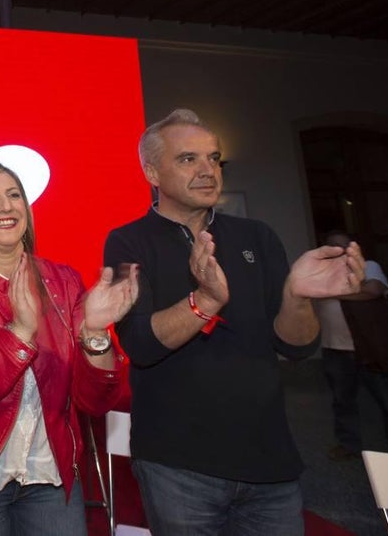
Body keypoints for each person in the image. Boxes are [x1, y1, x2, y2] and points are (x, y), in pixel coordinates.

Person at [104, 108, 366, 536]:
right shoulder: (128, 241)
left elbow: (296, 346)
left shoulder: (257, 237)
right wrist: (204, 301)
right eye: (188, 159)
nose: (208, 170)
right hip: (177, 466)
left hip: (270, 462)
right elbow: (141, 347)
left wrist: (297, 298)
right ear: (152, 172)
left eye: (213, 158)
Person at [0, 161, 134, 536]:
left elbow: (95, 402)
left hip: (48, 476)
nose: (6, 206)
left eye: (14, 195)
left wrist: (96, 334)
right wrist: (18, 335)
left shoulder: (62, 281)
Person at [314, 229, 388, 458]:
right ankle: (348, 445)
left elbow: (372, 290)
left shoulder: (369, 266)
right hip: (335, 349)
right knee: (343, 402)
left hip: (371, 348)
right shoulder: (320, 273)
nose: (339, 252)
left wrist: (331, 291)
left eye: (344, 246)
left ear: (354, 247)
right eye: (333, 247)